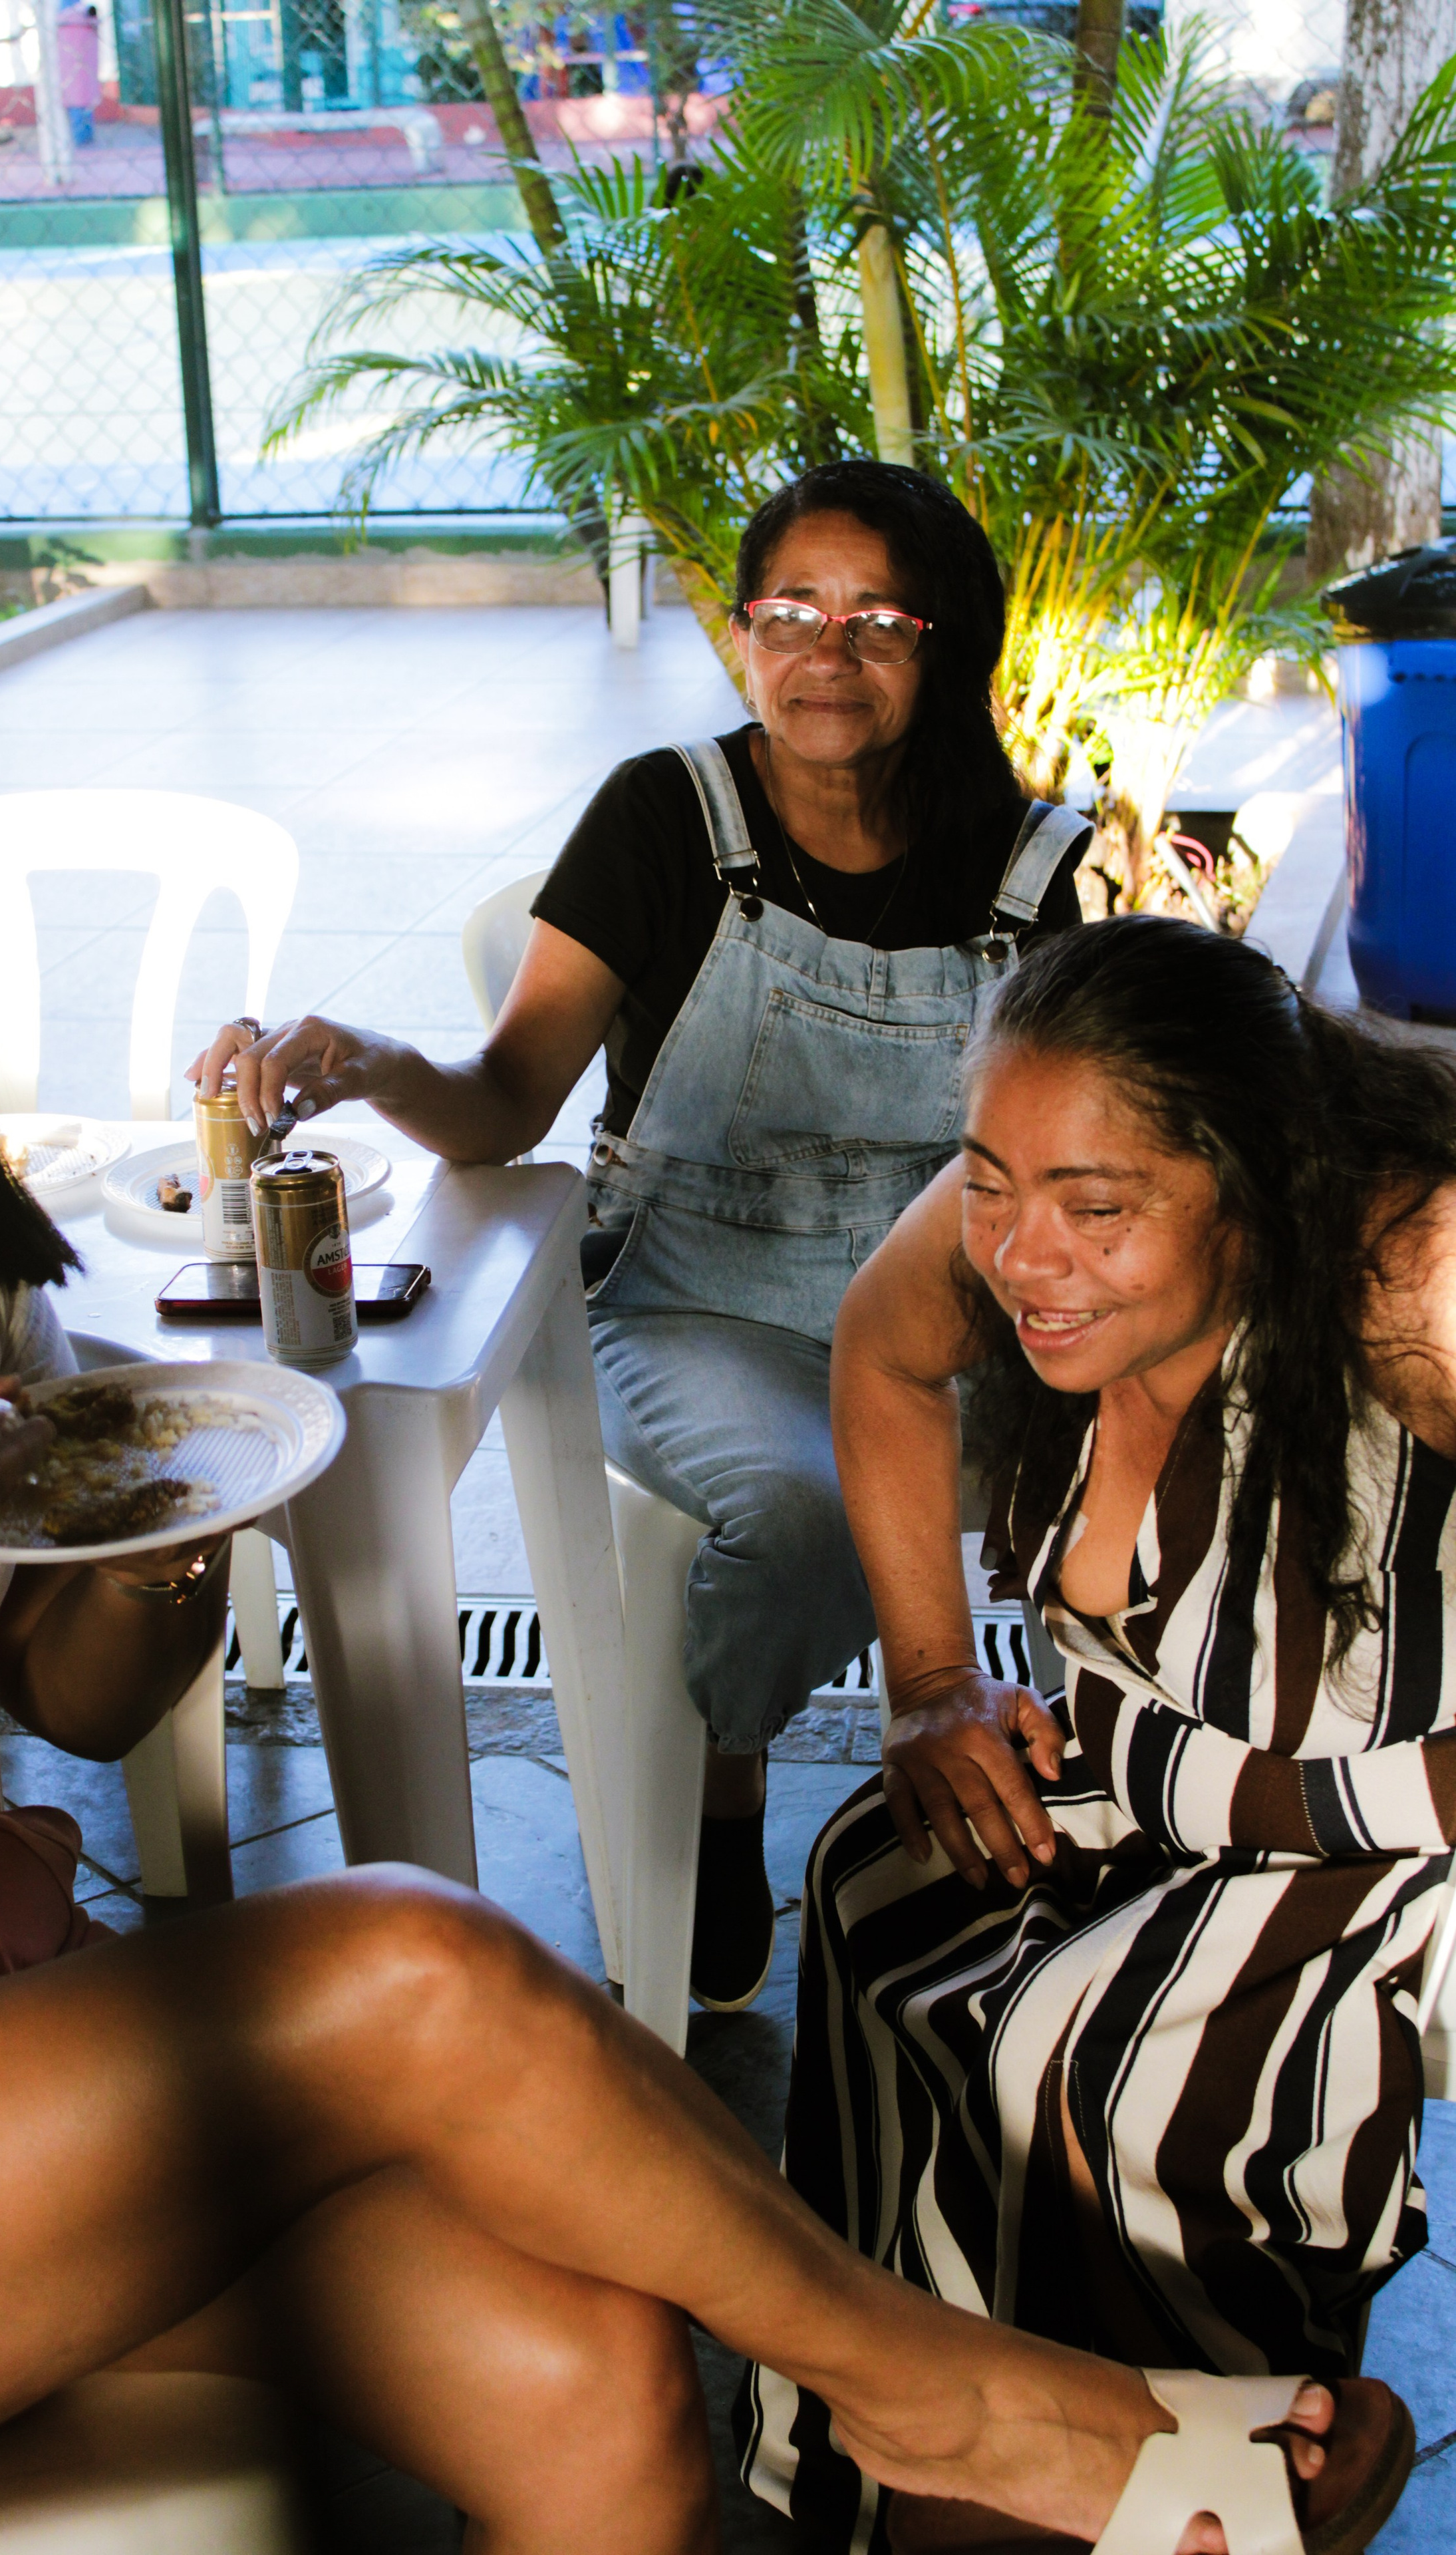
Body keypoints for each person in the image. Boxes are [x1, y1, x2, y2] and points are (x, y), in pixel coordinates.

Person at [0, 639, 1417, 2555]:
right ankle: (945, 2397)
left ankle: (919, 2398)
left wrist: (161, 1529)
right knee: (406, 1958)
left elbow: (80, 1699)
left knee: (594, 2376)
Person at [195, 459, 1090, 2013]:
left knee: (1155, 1446)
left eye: (876, 619)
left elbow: (1080, 1143)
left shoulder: (1027, 864)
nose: (826, 652)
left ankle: (1113, 1794)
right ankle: (724, 1782)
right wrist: (362, 1060)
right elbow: (500, 1102)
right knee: (801, 1511)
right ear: (741, 632)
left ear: (945, 643)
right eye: (790, 612)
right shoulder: (667, 819)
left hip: (954, 1306)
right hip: (695, 1298)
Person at [741, 915, 1456, 2548]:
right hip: (1129, 1792)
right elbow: (882, 1346)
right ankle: (899, 2463)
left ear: (1255, 1174)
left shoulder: (1400, 1275)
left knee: (1074, 2055)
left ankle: (1237, 2482)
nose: (1018, 1255)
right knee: (879, 1879)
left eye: (1096, 1210)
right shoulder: (1033, 1173)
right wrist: (930, 1679)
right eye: (990, 1184)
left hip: (1359, 1848)